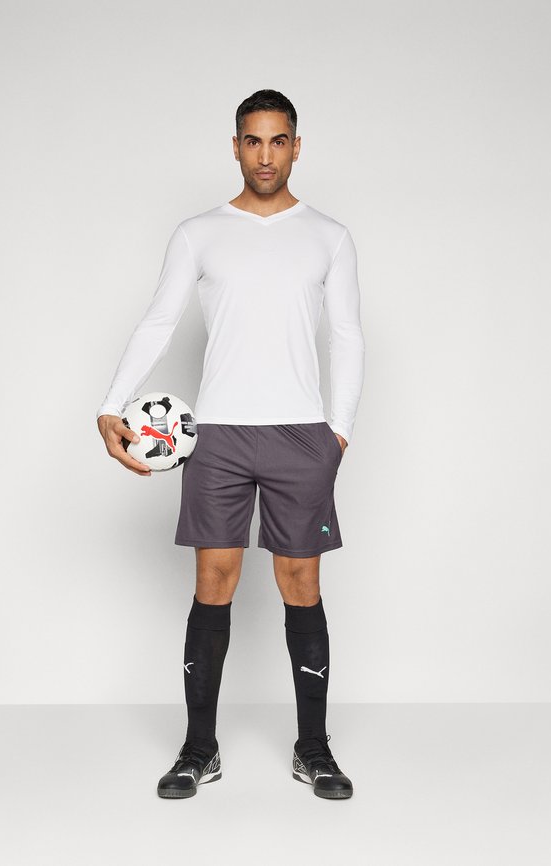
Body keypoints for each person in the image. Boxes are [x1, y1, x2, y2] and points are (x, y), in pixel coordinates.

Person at [96, 89, 365, 800]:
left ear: (297, 147)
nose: (265, 155)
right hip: (215, 434)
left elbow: (346, 334)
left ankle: (314, 750)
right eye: (253, 140)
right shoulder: (199, 233)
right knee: (213, 582)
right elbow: (159, 321)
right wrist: (110, 404)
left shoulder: (329, 236)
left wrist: (337, 432)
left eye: (278, 140)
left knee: (301, 584)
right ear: (236, 146)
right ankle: (199, 749)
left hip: (301, 433)